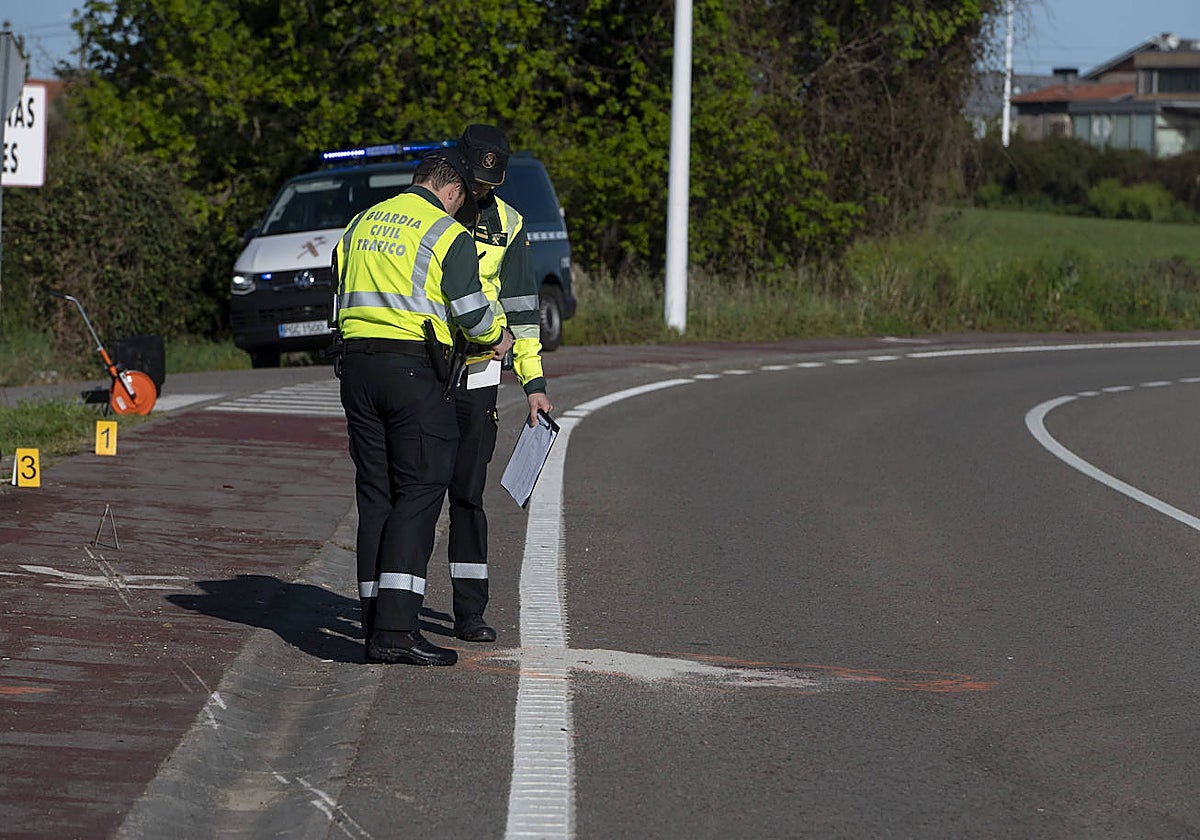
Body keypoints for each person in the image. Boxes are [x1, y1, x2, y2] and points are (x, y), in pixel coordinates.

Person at [334, 147, 514, 666]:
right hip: (413, 371)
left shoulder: (359, 225)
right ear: (453, 190)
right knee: (421, 489)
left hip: (356, 370)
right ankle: (396, 630)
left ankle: (372, 618)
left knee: (376, 495)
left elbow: (338, 297)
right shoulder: (445, 233)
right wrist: (498, 338)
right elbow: (473, 315)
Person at [446, 124, 553, 643]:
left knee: (469, 493)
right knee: (418, 492)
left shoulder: (509, 224)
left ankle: (469, 612)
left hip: (482, 370)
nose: (482, 191)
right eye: (475, 181)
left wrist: (533, 383)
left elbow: (524, 313)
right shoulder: (431, 212)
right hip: (425, 369)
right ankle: (399, 607)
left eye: (491, 183)